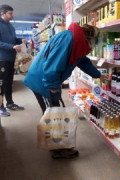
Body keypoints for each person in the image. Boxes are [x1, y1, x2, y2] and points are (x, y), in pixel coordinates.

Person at [23, 22, 107, 159]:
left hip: (47, 80)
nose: (93, 46)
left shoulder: (77, 42)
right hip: (42, 81)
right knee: (52, 115)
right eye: (95, 42)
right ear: (90, 38)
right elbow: (52, 65)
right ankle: (57, 150)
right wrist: (52, 86)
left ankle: (58, 145)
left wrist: (98, 75)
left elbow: (83, 61)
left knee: (55, 113)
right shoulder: (68, 39)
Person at [0, 4, 26, 116]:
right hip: (2, 59)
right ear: (2, 13)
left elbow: (14, 40)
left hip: (11, 59)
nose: (12, 16)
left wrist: (20, 40)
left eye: (12, 13)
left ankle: (10, 103)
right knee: (1, 84)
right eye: (10, 13)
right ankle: (1, 107)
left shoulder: (10, 26)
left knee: (9, 83)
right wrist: (12, 47)